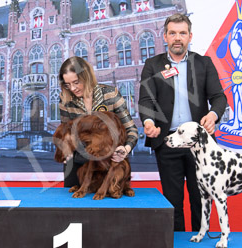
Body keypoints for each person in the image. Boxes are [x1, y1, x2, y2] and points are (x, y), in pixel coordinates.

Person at [138, 13, 227, 231]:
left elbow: (218, 97)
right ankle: (176, 246)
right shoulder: (152, 65)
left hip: (200, 145)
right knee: (172, 201)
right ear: (165, 37)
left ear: (190, 36)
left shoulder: (204, 63)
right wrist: (148, 122)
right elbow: (146, 99)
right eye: (173, 33)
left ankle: (200, 242)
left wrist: (213, 115)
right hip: (168, 142)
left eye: (182, 33)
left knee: (201, 198)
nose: (177, 38)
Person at [58, 56, 139, 188]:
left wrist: (125, 149)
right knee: (71, 200)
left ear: (87, 77)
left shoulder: (111, 95)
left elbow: (131, 130)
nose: (72, 88)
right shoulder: (65, 99)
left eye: (76, 82)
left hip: (106, 165)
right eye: (67, 84)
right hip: (77, 164)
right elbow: (65, 130)